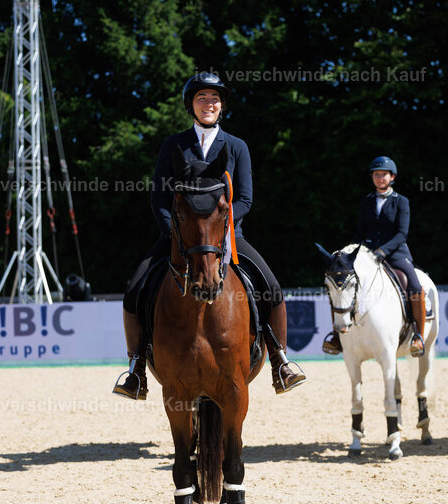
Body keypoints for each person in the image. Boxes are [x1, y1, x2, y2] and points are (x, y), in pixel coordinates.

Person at [114, 72, 307, 399]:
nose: (209, 104)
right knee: (135, 289)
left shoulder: (236, 146)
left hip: (227, 237)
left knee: (271, 287)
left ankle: (280, 360)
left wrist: (223, 228)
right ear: (191, 104)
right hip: (177, 239)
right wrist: (174, 232)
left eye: (214, 99)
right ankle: (136, 369)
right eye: (202, 98)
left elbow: (244, 198)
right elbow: (159, 198)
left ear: (222, 106)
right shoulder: (173, 144)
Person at [321, 156, 426, 357]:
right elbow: (360, 233)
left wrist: (383, 251)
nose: (379, 178)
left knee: (414, 285)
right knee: (340, 282)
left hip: (395, 255)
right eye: (376, 175)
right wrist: (349, 252)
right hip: (367, 255)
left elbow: (402, 234)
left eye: (383, 175)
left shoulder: (401, 202)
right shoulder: (366, 202)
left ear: (392, 177)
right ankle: (337, 335)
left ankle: (418, 336)